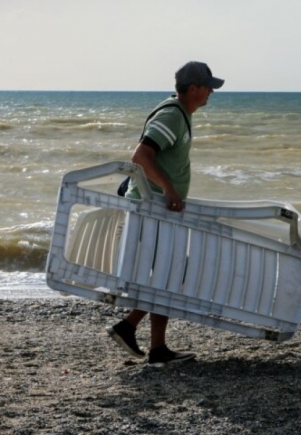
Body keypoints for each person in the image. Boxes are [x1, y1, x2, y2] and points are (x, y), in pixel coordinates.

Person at [107, 61, 224, 366]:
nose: (211, 91)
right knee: (167, 275)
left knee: (165, 276)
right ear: (194, 88)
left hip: (157, 208)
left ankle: (156, 347)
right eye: (208, 86)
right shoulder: (172, 115)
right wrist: (170, 189)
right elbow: (141, 155)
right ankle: (128, 326)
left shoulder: (181, 115)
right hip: (152, 209)